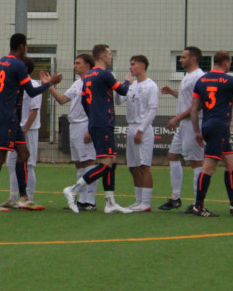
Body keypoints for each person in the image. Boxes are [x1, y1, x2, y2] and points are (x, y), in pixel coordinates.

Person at [0, 33, 61, 212]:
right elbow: (32, 92)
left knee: (23, 154)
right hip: (6, 118)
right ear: (22, 46)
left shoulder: (0, 62)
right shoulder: (18, 65)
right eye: (26, 46)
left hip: (10, 118)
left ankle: (24, 198)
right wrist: (50, 83)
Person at [186, 50, 233, 217]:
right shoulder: (231, 81)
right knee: (209, 166)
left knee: (232, 163)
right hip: (220, 126)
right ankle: (198, 206)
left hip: (207, 125)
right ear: (226, 62)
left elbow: (193, 109)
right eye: (230, 62)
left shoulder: (202, 80)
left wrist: (197, 131)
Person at [62, 44, 132, 214]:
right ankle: (73, 190)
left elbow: (85, 102)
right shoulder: (104, 74)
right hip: (103, 123)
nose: (111, 56)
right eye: (109, 53)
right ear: (101, 56)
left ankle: (110, 202)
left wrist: (92, 121)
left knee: (112, 161)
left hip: (97, 122)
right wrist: (129, 81)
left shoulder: (88, 78)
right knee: (106, 163)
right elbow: (122, 91)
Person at [49, 53, 99, 211]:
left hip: (85, 125)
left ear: (88, 65)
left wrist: (91, 129)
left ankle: (89, 201)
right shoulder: (77, 83)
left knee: (89, 161)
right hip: (74, 125)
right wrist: (49, 85)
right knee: (79, 163)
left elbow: (97, 108)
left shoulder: (94, 82)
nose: (74, 66)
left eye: (78, 63)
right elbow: (62, 99)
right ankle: (80, 199)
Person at [159, 46, 206, 210]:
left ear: (193, 59)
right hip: (184, 124)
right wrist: (173, 92)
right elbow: (189, 99)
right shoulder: (188, 76)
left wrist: (177, 117)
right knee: (172, 155)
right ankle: (176, 197)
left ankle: (197, 202)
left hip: (193, 123)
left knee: (196, 161)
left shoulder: (200, 77)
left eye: (183, 57)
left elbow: (198, 105)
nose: (180, 60)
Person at [120, 55, 159, 212]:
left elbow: (153, 110)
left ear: (142, 66)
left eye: (133, 64)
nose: (130, 67)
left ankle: (146, 203)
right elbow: (118, 101)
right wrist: (124, 85)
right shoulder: (132, 85)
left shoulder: (151, 86)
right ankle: (138, 201)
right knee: (133, 166)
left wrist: (141, 130)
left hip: (143, 129)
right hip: (131, 126)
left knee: (144, 166)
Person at [6, 56, 43, 207]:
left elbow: (34, 110)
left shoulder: (33, 85)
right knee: (11, 162)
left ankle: (29, 197)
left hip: (29, 129)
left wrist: (25, 128)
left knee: (28, 163)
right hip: (16, 128)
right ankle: (13, 197)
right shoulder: (16, 84)